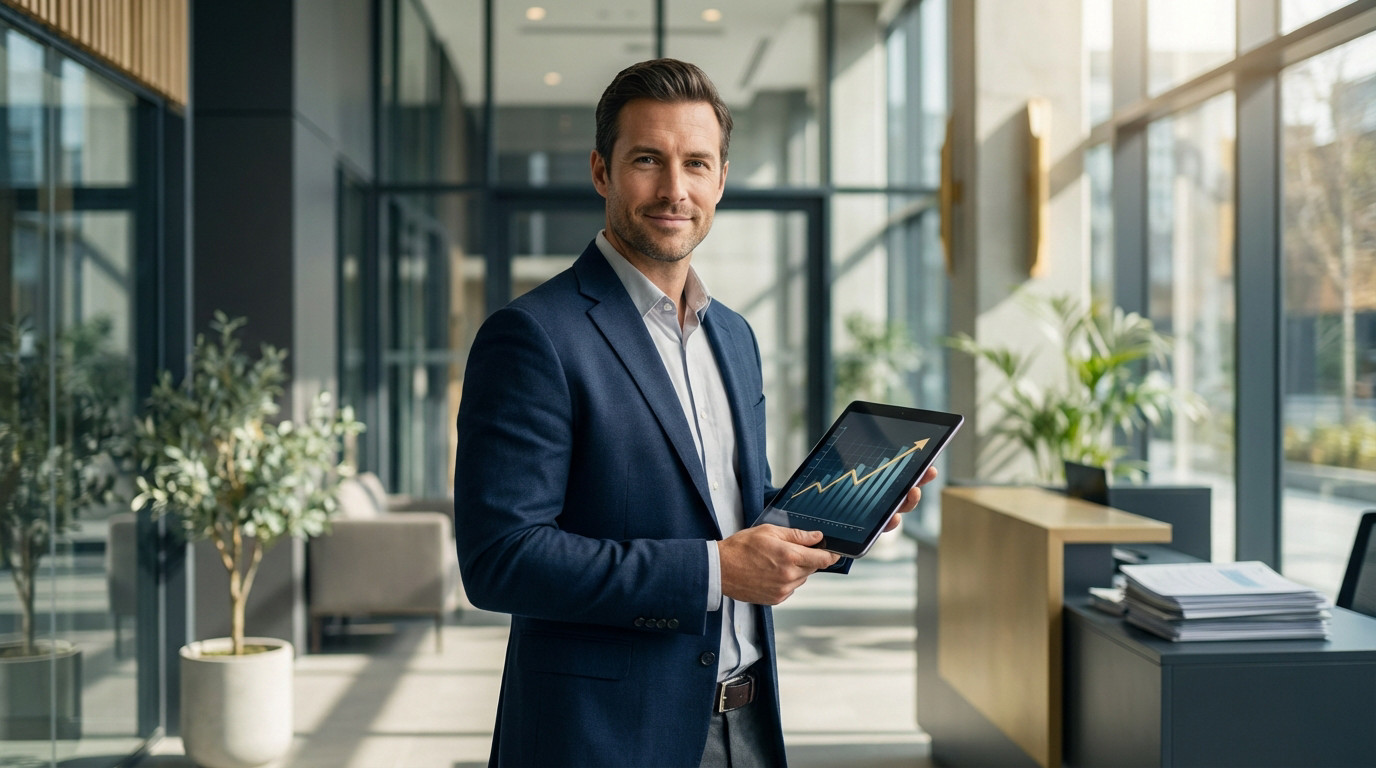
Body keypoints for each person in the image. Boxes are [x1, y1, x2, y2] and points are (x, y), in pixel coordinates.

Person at [453, 58, 934, 768]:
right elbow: (501, 560)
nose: (675, 189)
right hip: (603, 739)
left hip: (746, 726)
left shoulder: (733, 336)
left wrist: (837, 516)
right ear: (601, 171)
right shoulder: (534, 335)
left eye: (697, 164)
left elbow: (732, 512)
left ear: (721, 179)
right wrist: (714, 573)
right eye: (647, 160)